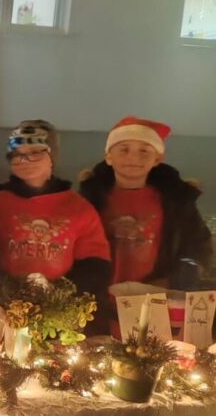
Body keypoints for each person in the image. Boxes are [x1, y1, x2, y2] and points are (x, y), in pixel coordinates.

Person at [0, 120, 111, 310]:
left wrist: (57, 294)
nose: (25, 161)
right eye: (17, 155)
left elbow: (95, 264)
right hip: (4, 307)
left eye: (35, 153)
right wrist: (5, 292)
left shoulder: (78, 208)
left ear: (52, 156)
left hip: (59, 310)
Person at [80, 116, 212, 288]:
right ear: (109, 157)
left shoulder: (177, 203)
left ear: (157, 159)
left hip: (157, 296)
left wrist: (172, 282)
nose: (134, 157)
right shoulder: (89, 200)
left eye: (144, 151)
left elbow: (199, 248)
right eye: (124, 149)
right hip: (94, 299)